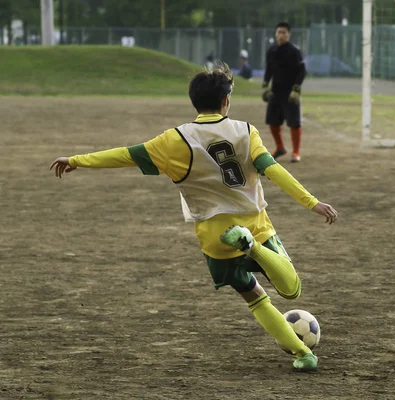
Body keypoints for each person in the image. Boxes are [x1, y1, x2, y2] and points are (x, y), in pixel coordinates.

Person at [49, 64, 338, 372]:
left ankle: (303, 354)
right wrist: (311, 202)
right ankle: (253, 248)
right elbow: (272, 169)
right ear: (226, 100)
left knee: (253, 295)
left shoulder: (174, 139)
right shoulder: (246, 131)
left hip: (215, 238)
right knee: (291, 289)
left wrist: (77, 160)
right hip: (255, 224)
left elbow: (125, 154)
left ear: (194, 102)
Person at [262, 21, 306, 163]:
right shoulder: (271, 51)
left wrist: (296, 89)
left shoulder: (294, 51)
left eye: (284, 33)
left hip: (290, 92)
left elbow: (302, 71)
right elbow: (269, 69)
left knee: (294, 122)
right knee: (273, 121)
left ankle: (296, 152)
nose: (281, 35)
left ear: (289, 35)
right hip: (276, 91)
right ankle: (280, 147)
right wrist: (265, 85)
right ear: (275, 34)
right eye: (279, 32)